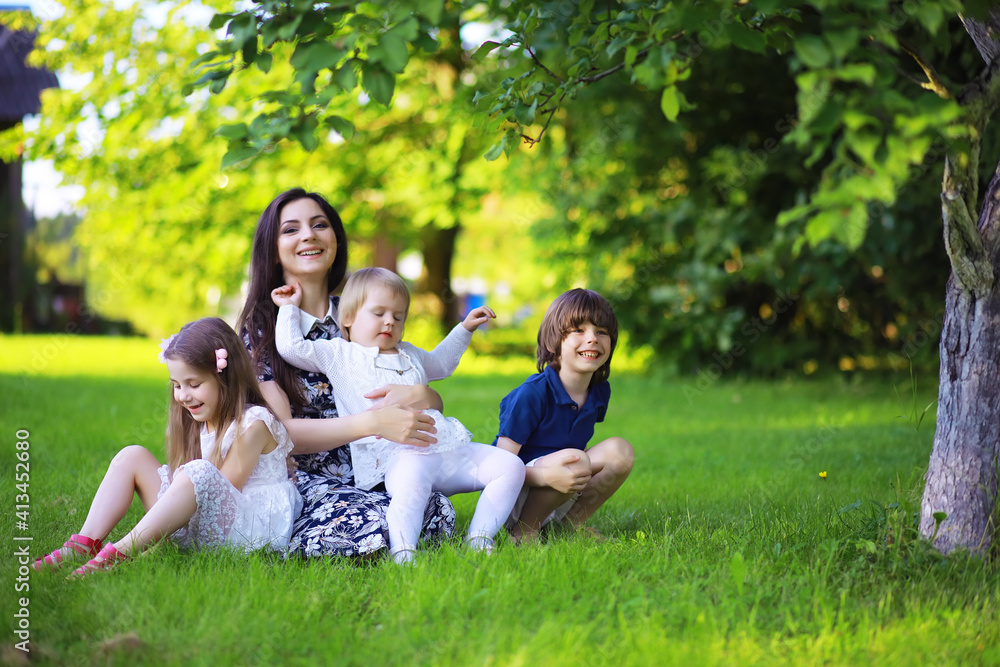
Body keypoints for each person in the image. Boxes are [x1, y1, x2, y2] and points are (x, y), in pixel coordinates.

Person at [237, 188, 457, 558]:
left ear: (335, 240)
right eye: (291, 230)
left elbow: (415, 379)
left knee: (437, 511)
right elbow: (282, 433)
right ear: (272, 250)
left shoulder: (362, 312)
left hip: (377, 466)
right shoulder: (261, 330)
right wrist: (373, 422)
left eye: (319, 225)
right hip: (307, 478)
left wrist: (425, 396)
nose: (308, 235)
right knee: (371, 527)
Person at [272, 269, 525, 562]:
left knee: (510, 466)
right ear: (349, 318)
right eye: (378, 313)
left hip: (446, 449)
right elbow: (292, 348)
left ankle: (480, 538)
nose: (389, 321)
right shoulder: (339, 354)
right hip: (398, 457)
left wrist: (464, 329)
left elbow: (442, 364)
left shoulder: (409, 353)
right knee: (411, 489)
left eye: (398, 316)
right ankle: (403, 552)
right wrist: (289, 308)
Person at [33, 318, 302, 576]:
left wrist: (182, 487)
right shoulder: (201, 420)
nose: (183, 396)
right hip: (210, 522)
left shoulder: (254, 423)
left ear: (226, 377)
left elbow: (222, 487)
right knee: (132, 456)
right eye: (177, 385)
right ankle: (82, 544)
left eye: (194, 384)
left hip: (246, 529)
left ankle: (116, 555)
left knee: (199, 472)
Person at [494, 288, 635, 544]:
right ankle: (524, 531)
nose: (592, 338)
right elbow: (499, 466)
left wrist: (561, 475)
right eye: (579, 330)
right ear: (553, 342)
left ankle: (569, 525)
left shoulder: (599, 391)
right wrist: (546, 476)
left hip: (565, 479)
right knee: (576, 460)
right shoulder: (531, 395)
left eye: (601, 332)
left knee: (620, 450)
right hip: (513, 495)